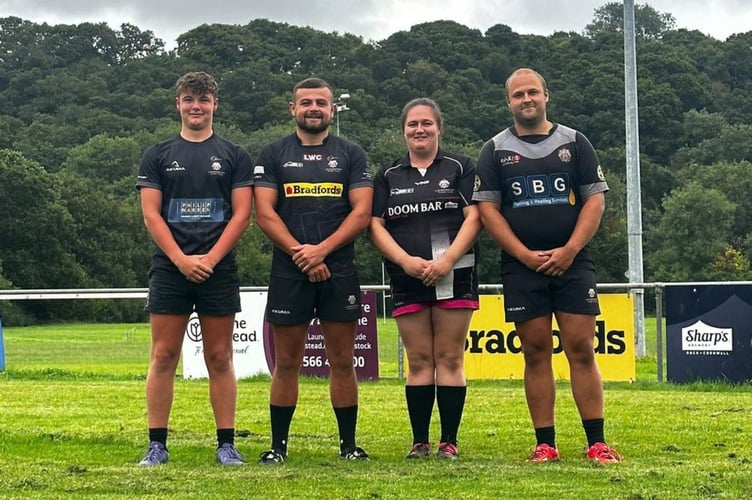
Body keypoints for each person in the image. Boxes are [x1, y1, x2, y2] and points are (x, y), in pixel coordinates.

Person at [472, 68, 622, 464]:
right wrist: (523, 255)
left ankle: (597, 442)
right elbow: (488, 211)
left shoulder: (575, 141)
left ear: (546, 95)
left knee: (580, 348)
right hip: (522, 267)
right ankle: (545, 444)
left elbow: (595, 201)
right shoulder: (494, 150)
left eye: (533, 92)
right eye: (518, 95)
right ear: (509, 102)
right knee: (535, 352)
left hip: (572, 262)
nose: (527, 100)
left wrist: (571, 249)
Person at [135, 71, 253, 466]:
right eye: (189, 99)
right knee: (164, 355)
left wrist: (210, 260)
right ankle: (156, 445)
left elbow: (241, 216)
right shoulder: (157, 154)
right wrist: (182, 260)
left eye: (203, 99)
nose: (196, 106)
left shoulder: (235, 154)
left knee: (219, 357)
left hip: (218, 268)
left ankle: (226, 444)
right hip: (171, 269)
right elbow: (152, 215)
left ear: (215, 104)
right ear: (178, 105)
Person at [253, 77, 373, 464]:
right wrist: (300, 254)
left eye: (321, 102)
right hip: (289, 270)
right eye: (306, 102)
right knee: (287, 362)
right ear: (293, 109)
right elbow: (264, 213)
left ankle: (348, 446)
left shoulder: (351, 153)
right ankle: (277, 447)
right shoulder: (273, 154)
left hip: (338, 268)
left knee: (342, 360)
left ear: (332, 108)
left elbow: (362, 213)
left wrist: (321, 251)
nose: (314, 108)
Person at [369, 98, 480, 460]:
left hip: (455, 272)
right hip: (407, 276)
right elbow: (375, 225)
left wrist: (447, 260)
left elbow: (475, 217)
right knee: (418, 359)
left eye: (426, 124)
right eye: (413, 124)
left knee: (449, 356)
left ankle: (449, 440)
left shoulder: (460, 166)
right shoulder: (388, 174)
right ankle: (419, 441)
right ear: (403, 130)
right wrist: (404, 261)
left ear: (438, 128)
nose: (420, 129)